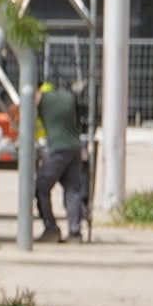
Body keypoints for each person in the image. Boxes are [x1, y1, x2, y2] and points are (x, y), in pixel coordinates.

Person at [31, 74, 89, 240]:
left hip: (57, 149)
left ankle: (51, 228)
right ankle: (75, 232)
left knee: (41, 188)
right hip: (75, 148)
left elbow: (32, 112)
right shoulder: (65, 97)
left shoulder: (43, 101)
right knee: (73, 191)